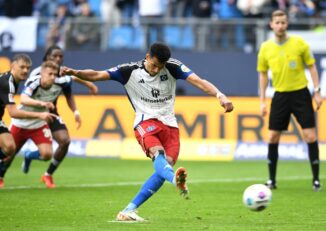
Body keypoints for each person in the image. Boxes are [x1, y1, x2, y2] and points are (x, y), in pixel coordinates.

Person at [61, 42, 234, 221]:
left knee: (164, 167)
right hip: (145, 122)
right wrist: (75, 72)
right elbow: (97, 75)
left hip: (170, 125)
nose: (156, 70)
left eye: (160, 67)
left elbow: (199, 81)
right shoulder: (128, 71)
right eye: (154, 65)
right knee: (157, 155)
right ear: (147, 56)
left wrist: (219, 95)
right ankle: (176, 181)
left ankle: (129, 210)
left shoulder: (173, 67)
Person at [257, 10, 323, 191]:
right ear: (271, 24)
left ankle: (316, 180)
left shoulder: (299, 44)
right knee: (272, 136)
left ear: (287, 24)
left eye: (283, 22)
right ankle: (272, 180)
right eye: (277, 22)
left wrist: (317, 91)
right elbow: (263, 74)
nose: (280, 25)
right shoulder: (265, 48)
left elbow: (312, 66)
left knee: (310, 136)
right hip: (280, 96)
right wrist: (262, 100)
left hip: (301, 94)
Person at [24, 45, 98, 188]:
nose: (58, 59)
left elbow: (71, 87)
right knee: (12, 146)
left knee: (65, 141)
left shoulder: (63, 74)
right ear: (47, 57)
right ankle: (2, 174)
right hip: (32, 113)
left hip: (51, 113)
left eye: (60, 56)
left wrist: (76, 111)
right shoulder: (36, 74)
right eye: (54, 56)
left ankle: (47, 174)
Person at [0, 54, 55, 188]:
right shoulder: (8, 83)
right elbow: (13, 113)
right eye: (22, 67)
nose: (25, 70)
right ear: (12, 66)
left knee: (9, 148)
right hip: (15, 121)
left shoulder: (12, 80)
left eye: (28, 68)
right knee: (9, 148)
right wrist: (40, 115)